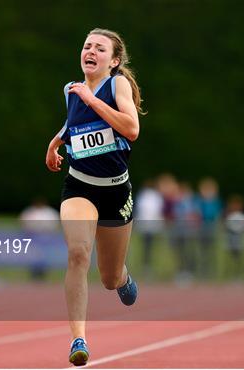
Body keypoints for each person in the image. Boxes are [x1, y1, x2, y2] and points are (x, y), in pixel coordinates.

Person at [45, 28, 144, 366]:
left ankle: (123, 277)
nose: (90, 51)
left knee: (108, 278)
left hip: (116, 191)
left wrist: (93, 100)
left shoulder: (118, 85)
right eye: (87, 45)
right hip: (80, 186)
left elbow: (131, 129)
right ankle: (78, 339)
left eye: (100, 48)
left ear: (113, 61)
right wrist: (55, 142)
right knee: (77, 254)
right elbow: (76, 123)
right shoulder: (71, 90)